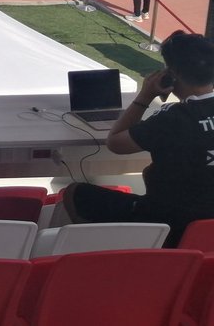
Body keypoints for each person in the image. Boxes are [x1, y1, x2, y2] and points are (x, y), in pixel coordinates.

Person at [61, 30, 214, 247]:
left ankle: (103, 256)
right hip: (206, 228)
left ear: (172, 74)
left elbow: (115, 143)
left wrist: (145, 95)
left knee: (75, 193)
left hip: (166, 223)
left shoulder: (172, 118)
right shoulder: (173, 118)